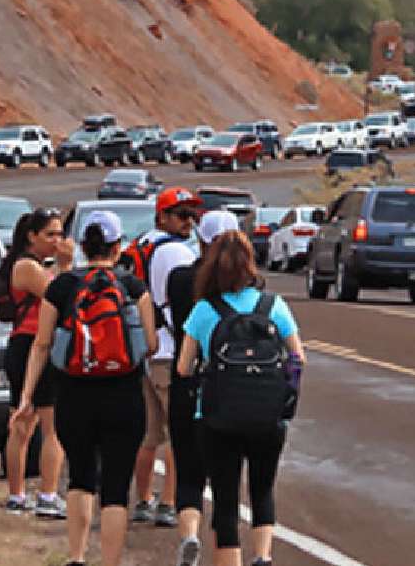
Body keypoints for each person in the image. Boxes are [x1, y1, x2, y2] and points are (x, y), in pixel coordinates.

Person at [13, 211, 158, 566]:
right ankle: (110, 561)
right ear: (118, 246)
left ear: (81, 244)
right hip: (124, 395)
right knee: (115, 487)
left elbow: (42, 344)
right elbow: (150, 344)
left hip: (75, 395)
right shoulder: (133, 287)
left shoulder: (62, 287)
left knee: (80, 476)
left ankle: (76, 557)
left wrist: (26, 395)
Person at [176, 231, 306, 566]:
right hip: (268, 414)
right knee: (262, 490)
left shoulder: (206, 310)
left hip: (218, 416)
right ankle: (262, 556)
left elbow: (183, 367)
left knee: (226, 500)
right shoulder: (273, 306)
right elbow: (298, 357)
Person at [164, 210, 240, 566]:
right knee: (225, 478)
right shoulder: (249, 289)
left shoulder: (180, 279)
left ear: (202, 239)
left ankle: (189, 532)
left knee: (188, 470)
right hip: (230, 387)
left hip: (188, 380)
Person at [130, 187, 202, 529]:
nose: (189, 221)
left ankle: (143, 499)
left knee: (150, 433)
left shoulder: (144, 245)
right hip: (172, 352)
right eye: (182, 214)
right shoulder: (176, 253)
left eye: (192, 215)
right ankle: (170, 502)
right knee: (179, 435)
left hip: (149, 349)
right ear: (163, 216)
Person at [1, 208, 71, 517]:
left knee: (30, 423)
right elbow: (60, 296)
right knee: (40, 425)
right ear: (32, 237)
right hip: (32, 345)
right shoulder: (26, 267)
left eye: (60, 234)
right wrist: (66, 265)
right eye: (50, 235)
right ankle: (42, 494)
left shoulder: (36, 266)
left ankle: (27, 494)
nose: (56, 241)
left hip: (31, 345)